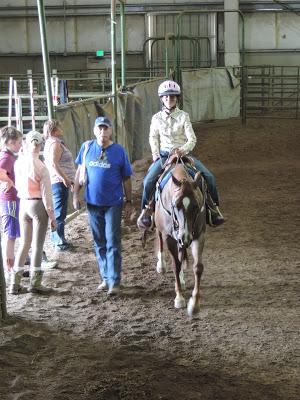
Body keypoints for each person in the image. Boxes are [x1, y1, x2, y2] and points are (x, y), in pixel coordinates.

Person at [137, 80, 225, 229]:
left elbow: (192, 139)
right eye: (166, 97)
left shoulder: (184, 116)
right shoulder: (156, 118)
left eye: (172, 97)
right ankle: (146, 211)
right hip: (164, 156)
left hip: (183, 155)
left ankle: (214, 209)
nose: (169, 99)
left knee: (209, 176)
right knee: (148, 181)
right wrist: (155, 154)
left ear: (177, 98)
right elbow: (153, 137)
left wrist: (182, 150)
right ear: (161, 99)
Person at [73, 116, 133, 296]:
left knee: (112, 241)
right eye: (99, 128)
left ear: (111, 131)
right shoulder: (87, 148)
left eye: (106, 128)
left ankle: (114, 281)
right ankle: (105, 278)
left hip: (113, 204)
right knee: (99, 241)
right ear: (94, 130)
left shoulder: (119, 151)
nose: (102, 132)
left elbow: (127, 177)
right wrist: (76, 194)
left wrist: (129, 201)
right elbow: (79, 173)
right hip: (92, 204)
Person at [9, 131, 57, 295]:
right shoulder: (41, 166)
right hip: (37, 205)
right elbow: (47, 196)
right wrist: (52, 217)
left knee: (24, 244)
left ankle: (14, 283)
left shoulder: (18, 163)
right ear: (40, 145)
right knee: (37, 245)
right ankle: (35, 283)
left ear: (26, 143)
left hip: (23, 204)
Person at [43, 119, 76, 251]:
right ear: (54, 130)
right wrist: (65, 178)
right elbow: (54, 163)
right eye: (59, 127)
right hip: (58, 182)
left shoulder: (51, 143)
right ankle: (58, 241)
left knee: (59, 211)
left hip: (57, 181)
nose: (62, 128)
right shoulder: (55, 144)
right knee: (59, 212)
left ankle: (58, 238)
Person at [0, 126, 23, 285]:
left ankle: (10, 266)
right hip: (10, 200)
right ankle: (9, 268)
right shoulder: (6, 157)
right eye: (19, 142)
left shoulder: (8, 154)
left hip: (10, 199)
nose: (21, 145)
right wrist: (9, 182)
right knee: (10, 234)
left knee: (11, 234)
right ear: (11, 142)